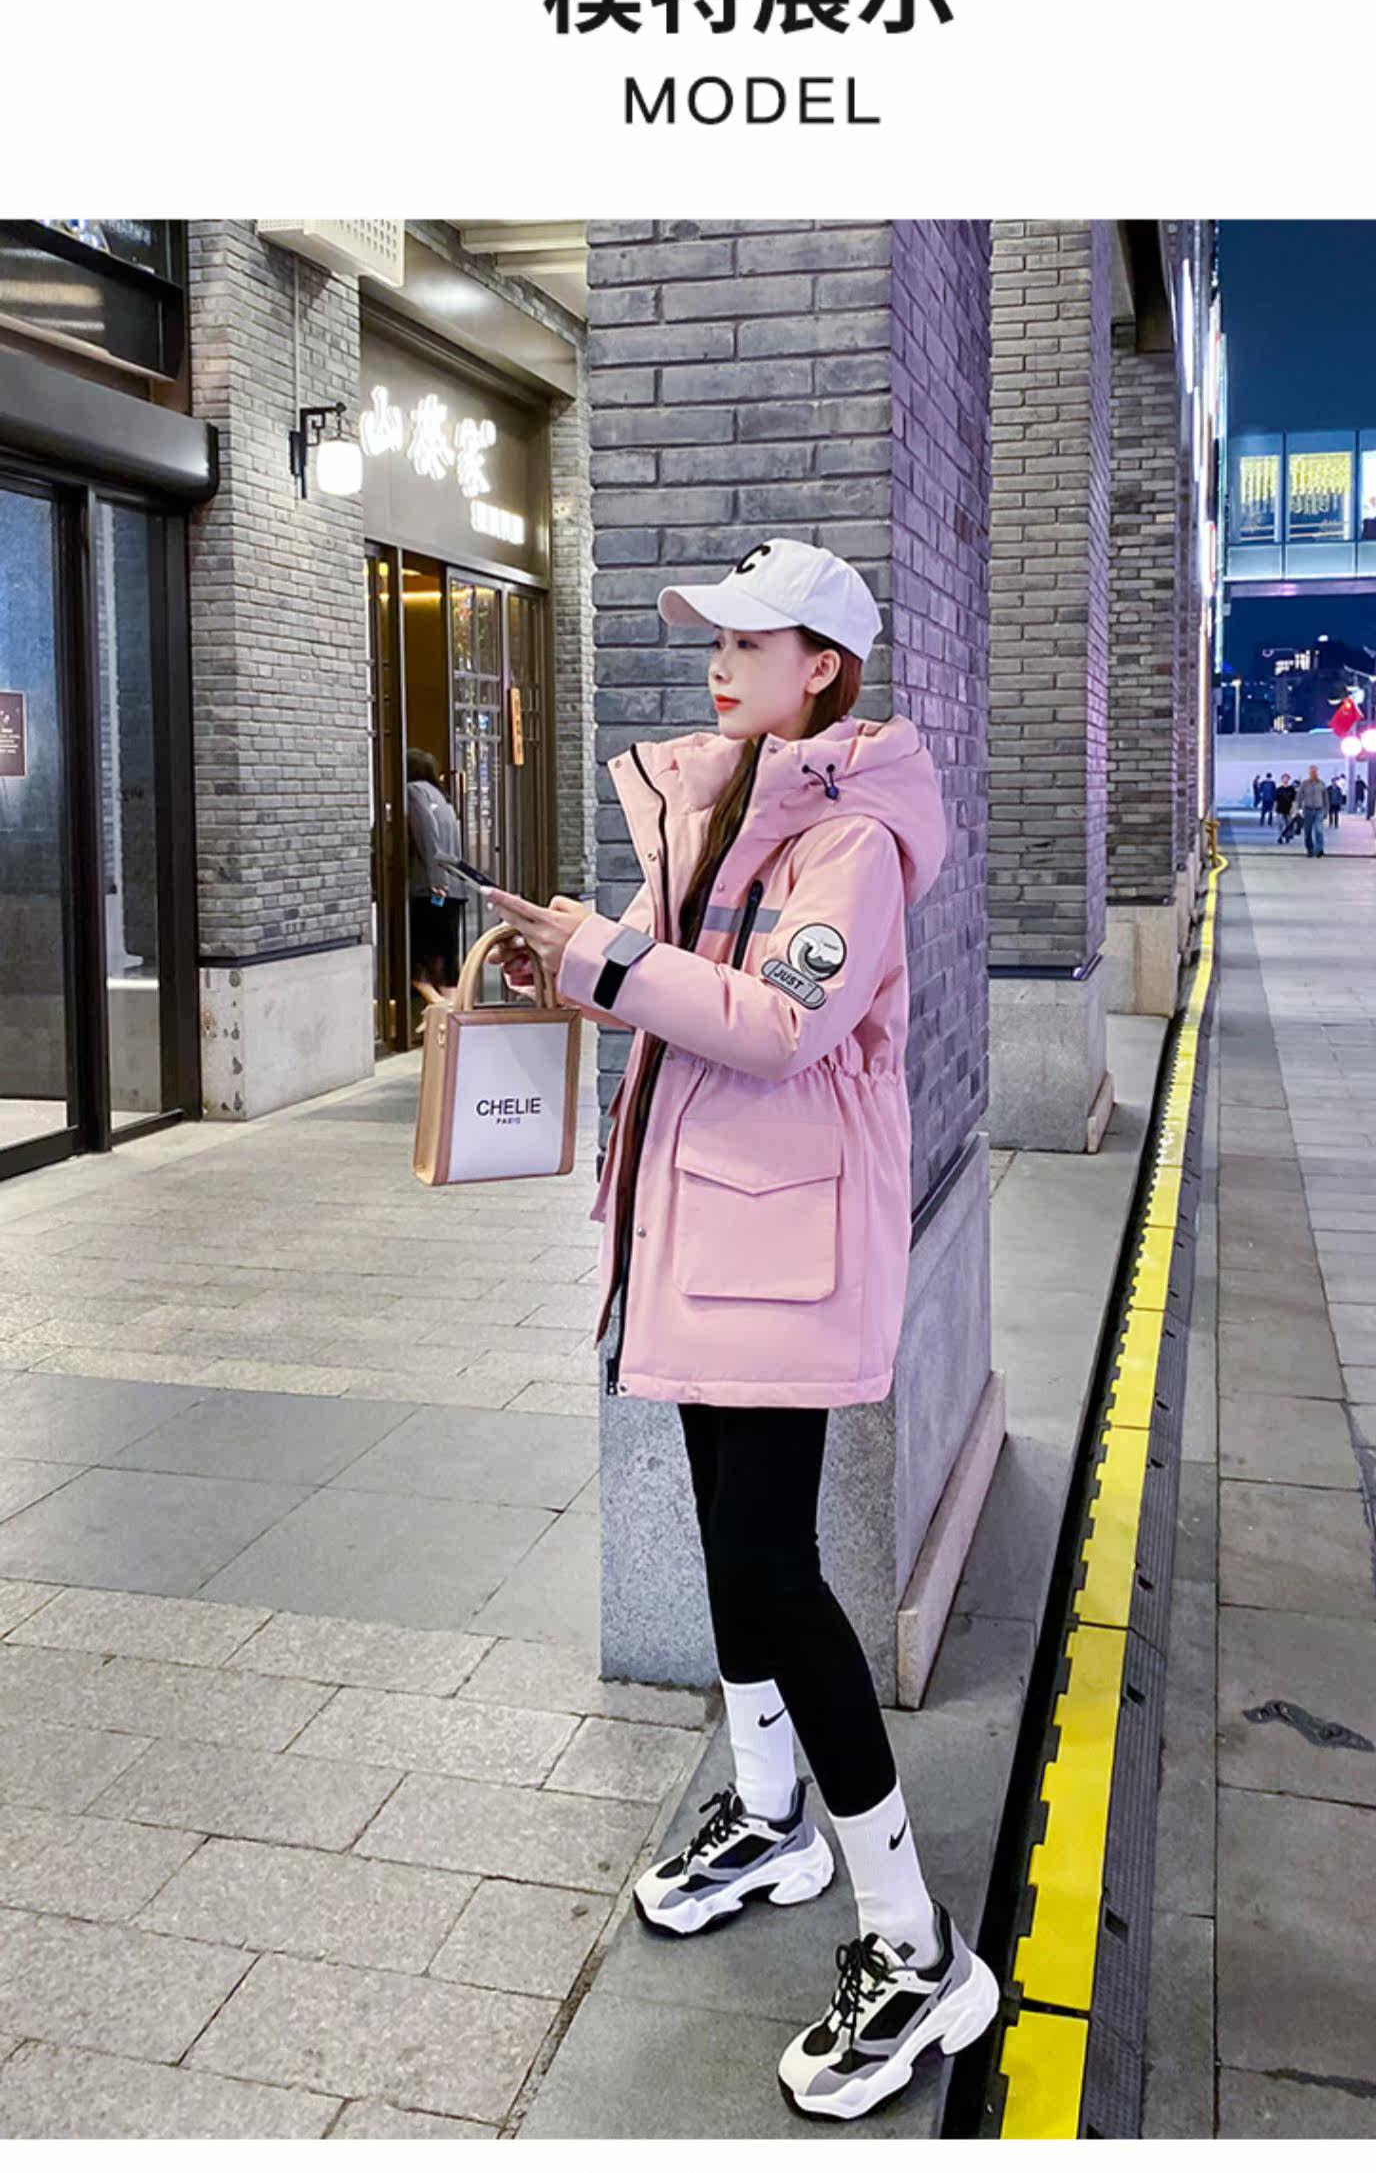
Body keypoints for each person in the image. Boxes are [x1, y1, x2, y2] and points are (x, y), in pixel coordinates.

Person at [482, 538, 999, 2121]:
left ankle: (917, 1944)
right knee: (726, 1545)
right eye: (712, 638)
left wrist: (611, 956)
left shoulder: (849, 835)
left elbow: (781, 1021)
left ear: (822, 667)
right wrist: (569, 959)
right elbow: (664, 978)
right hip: (702, 1236)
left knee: (779, 1572)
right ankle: (772, 1812)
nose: (716, 662)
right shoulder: (723, 804)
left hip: (780, 1251)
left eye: (748, 642)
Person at [406, 750, 465, 1005]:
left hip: (430, 889)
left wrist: (436, 879)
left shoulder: (413, 791)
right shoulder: (443, 798)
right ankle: (453, 1011)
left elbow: (426, 834)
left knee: (420, 957)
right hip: (454, 888)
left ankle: (441, 1008)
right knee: (447, 955)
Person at [1300, 765, 1329, 857]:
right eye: (1312, 772)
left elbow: (1326, 798)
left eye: (1315, 772)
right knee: (1307, 832)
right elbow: (1299, 797)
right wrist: (1298, 809)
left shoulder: (1321, 784)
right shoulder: (1304, 784)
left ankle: (1319, 850)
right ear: (1309, 773)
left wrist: (1326, 811)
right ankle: (1310, 849)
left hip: (1319, 810)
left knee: (1319, 830)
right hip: (1308, 810)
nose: (1313, 773)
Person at [1274, 773, 1300, 842]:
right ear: (1282, 779)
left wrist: (1294, 809)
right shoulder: (1279, 789)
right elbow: (1276, 800)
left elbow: (1294, 801)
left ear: (1288, 780)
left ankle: (1287, 836)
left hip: (1289, 809)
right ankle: (1280, 837)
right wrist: (1275, 809)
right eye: (1284, 778)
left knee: (1288, 824)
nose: (1285, 780)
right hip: (1279, 809)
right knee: (1280, 824)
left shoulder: (1291, 790)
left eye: (1287, 778)